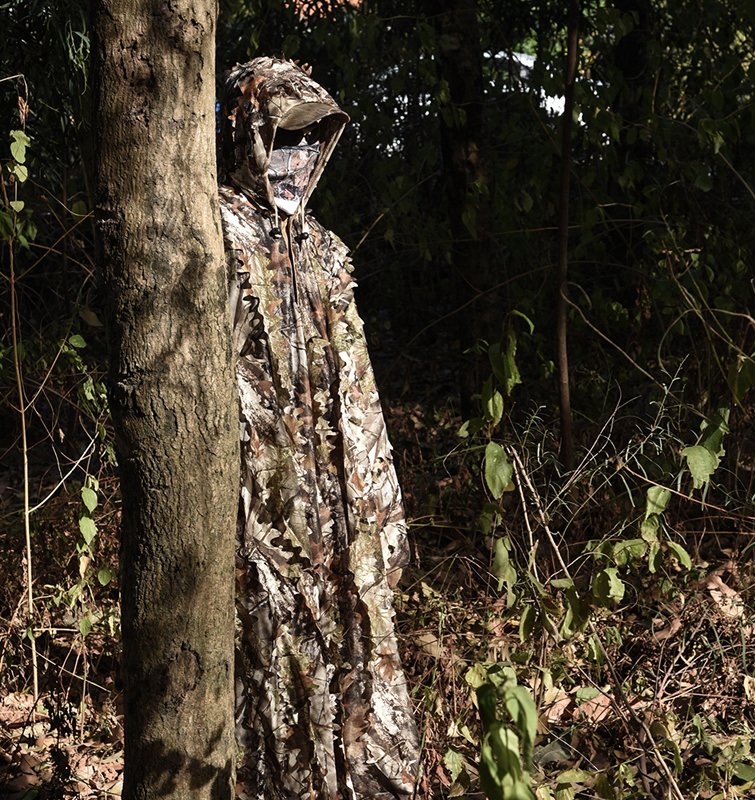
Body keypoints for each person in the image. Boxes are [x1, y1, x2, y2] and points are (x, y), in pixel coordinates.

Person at [218, 57, 419, 800]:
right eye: (283, 138)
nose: (298, 157)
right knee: (278, 678)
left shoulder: (326, 249)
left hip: (340, 510)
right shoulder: (216, 237)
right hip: (265, 514)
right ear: (247, 138)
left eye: (313, 140)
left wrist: (384, 512)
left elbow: (360, 390)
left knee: (357, 665)